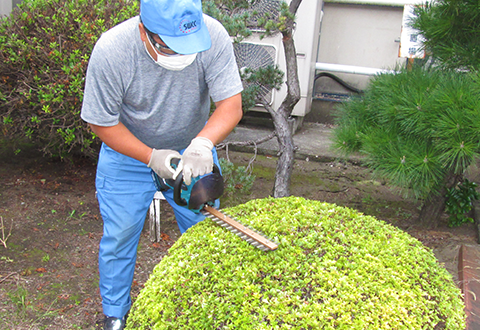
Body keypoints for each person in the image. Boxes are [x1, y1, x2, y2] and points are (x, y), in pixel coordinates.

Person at [80, 0, 243, 328]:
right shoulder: (113, 50)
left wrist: (202, 143)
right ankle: (115, 313)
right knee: (120, 235)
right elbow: (101, 122)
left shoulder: (213, 35)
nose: (181, 56)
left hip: (191, 153)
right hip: (128, 155)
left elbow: (231, 104)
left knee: (204, 230)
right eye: (171, 47)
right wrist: (151, 157)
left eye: (187, 47)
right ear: (145, 32)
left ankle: (204, 307)